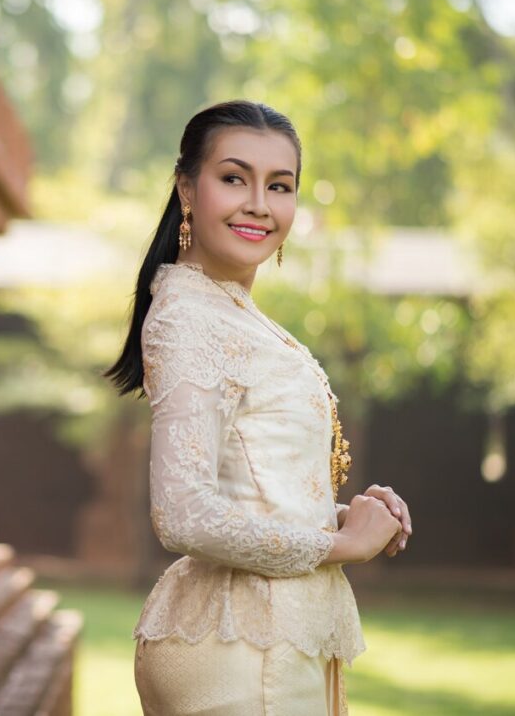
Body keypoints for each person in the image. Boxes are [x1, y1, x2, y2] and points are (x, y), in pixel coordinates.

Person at [104, 99, 413, 715]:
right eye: (233, 179)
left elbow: (249, 489)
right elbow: (184, 514)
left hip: (263, 638)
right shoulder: (192, 318)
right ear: (186, 187)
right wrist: (342, 546)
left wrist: (345, 516)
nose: (259, 205)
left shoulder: (226, 312)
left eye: (280, 186)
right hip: (244, 653)